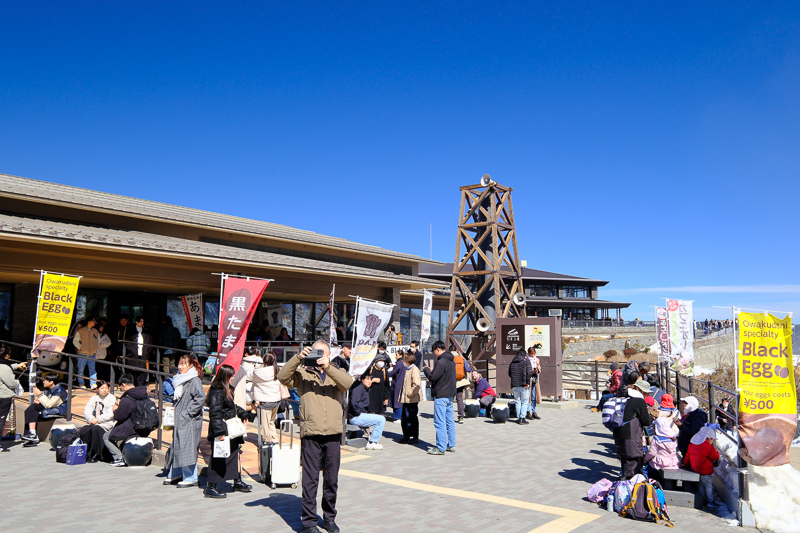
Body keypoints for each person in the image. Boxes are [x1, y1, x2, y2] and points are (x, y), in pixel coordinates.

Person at [277, 341, 353, 533]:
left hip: (333, 434)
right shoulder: (303, 374)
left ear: (329, 354)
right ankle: (309, 523)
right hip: (311, 433)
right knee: (310, 480)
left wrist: (328, 367)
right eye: (314, 351)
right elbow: (282, 376)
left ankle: (329, 518)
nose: (318, 355)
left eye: (322, 352)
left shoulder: (336, 371)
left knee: (331, 480)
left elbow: (348, 383)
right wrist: (299, 357)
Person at [204, 363, 256, 498]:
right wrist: (219, 432)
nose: (233, 378)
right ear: (225, 376)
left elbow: (232, 407)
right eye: (231, 375)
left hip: (230, 429)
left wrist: (243, 414)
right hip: (223, 429)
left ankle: (236, 480)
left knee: (234, 453)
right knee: (219, 457)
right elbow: (215, 413)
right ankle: (211, 486)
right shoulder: (217, 390)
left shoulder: (226, 389)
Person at [163, 355, 205, 487]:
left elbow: (201, 397)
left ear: (190, 366)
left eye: (183, 364)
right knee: (177, 445)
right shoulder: (179, 379)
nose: (181, 367)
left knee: (187, 447)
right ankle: (175, 472)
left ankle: (190, 476)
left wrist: (188, 412)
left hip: (190, 420)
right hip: (181, 418)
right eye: (179, 364)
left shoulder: (194, 380)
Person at [612, 379, 654, 479]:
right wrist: (652, 417)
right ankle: (628, 488)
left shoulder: (622, 396)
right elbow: (646, 420)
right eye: (646, 392)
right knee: (633, 465)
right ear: (641, 390)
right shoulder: (638, 401)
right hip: (632, 436)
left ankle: (624, 484)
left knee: (625, 461)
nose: (647, 395)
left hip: (619, 433)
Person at [104, 373, 149, 466]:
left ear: (123, 384)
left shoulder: (127, 398)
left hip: (132, 428)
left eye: (121, 387)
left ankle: (119, 458)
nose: (121, 389)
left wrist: (115, 409)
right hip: (145, 426)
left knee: (106, 436)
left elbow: (119, 417)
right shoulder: (144, 395)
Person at [423, 340, 456, 455]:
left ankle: (440, 447)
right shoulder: (451, 361)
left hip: (441, 395)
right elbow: (442, 375)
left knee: (439, 422)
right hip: (450, 394)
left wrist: (426, 370)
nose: (434, 354)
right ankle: (451, 444)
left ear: (438, 349)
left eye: (434, 352)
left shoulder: (441, 362)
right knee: (449, 421)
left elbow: (432, 377)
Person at [21, 372, 68, 447]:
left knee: (34, 412)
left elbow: (49, 404)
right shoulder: (48, 389)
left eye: (45, 380)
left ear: (51, 382)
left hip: (58, 410)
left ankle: (33, 435)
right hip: (51, 407)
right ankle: (31, 435)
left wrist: (39, 394)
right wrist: (38, 400)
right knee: (30, 409)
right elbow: (46, 400)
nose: (43, 382)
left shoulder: (59, 391)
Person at [684, 426, 722, 509]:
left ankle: (702, 499)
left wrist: (685, 463)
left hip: (696, 469)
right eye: (712, 439)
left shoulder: (692, 444)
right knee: (708, 486)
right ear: (708, 438)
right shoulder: (708, 447)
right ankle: (710, 501)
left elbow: (687, 456)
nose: (712, 441)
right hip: (706, 470)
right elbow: (715, 457)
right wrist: (718, 453)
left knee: (701, 485)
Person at [78, 381, 117, 462]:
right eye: (102, 388)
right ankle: (85, 452)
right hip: (93, 422)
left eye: (106, 388)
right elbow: (87, 411)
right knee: (84, 430)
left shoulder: (111, 398)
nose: (104, 390)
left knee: (95, 429)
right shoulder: (93, 398)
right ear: (97, 389)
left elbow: (110, 414)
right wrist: (91, 419)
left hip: (106, 424)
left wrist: (98, 419)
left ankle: (95, 453)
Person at [348, 373, 386, 450]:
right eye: (367, 379)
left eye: (371, 380)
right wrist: (357, 413)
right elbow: (353, 403)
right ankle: (372, 442)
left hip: (359, 415)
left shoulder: (365, 388)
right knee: (381, 419)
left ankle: (372, 441)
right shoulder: (358, 389)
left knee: (380, 419)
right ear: (362, 380)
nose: (369, 382)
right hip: (356, 417)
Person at [252, 351, 282, 444]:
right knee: (271, 422)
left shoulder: (258, 372)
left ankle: (267, 442)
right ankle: (274, 439)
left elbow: (249, 376)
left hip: (265, 401)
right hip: (276, 400)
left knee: (265, 424)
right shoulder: (277, 370)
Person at [0, 347, 27, 445]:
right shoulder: (4, 367)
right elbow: (11, 383)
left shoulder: (4, 366)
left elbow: (4, 370)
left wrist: (17, 365)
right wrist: (16, 382)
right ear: (6, 355)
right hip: (3, 396)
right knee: (1, 420)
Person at [398, 352, 421, 444]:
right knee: (405, 417)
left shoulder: (414, 370)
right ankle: (406, 435)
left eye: (404, 359)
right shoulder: (407, 369)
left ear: (407, 360)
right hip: (406, 399)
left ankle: (414, 436)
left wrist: (409, 394)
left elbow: (417, 385)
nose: (403, 361)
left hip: (412, 399)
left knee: (411, 417)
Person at [125, 316, 153, 387]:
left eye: (143, 322)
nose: (142, 323)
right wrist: (132, 349)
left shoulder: (145, 332)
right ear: (136, 322)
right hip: (133, 353)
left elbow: (148, 342)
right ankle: (131, 384)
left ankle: (140, 385)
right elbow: (127, 341)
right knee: (132, 369)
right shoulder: (131, 330)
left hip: (142, 353)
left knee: (141, 370)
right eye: (140, 322)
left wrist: (146, 349)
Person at [73, 316, 100, 389]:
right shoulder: (81, 331)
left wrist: (96, 348)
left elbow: (98, 341)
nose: (95, 322)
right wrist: (81, 348)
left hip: (92, 354)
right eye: (93, 321)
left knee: (92, 369)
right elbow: (75, 341)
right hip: (82, 354)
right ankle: (81, 383)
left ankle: (93, 383)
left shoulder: (95, 331)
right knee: (81, 369)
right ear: (89, 321)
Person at [508, 349, 532, 425]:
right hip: (524, 384)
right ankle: (522, 417)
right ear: (524, 355)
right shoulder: (526, 362)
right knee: (525, 401)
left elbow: (509, 374)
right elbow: (529, 373)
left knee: (517, 401)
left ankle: (518, 418)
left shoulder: (512, 362)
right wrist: (527, 382)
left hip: (514, 385)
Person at [367, 344, 390, 415]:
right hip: (371, 396)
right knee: (370, 412)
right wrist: (372, 380)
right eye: (380, 360)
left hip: (380, 396)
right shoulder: (370, 370)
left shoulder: (384, 371)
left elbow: (387, 385)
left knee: (380, 413)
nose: (382, 362)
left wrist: (386, 397)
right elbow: (364, 380)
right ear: (375, 362)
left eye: (383, 361)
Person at [452, 346, 472, 424]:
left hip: (450, 381)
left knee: (449, 399)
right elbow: (468, 369)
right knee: (459, 398)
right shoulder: (461, 358)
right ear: (456, 350)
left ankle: (448, 417)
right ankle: (461, 417)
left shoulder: (448, 358)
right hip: (460, 381)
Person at [387, 349, 407, 423]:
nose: (396, 356)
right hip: (402, 383)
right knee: (399, 400)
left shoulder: (399, 363)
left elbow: (393, 373)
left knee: (396, 401)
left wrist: (387, 374)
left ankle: (397, 417)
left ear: (400, 355)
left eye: (397, 354)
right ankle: (400, 416)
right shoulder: (404, 363)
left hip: (397, 384)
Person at [526, 346, 542, 420]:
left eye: (534, 354)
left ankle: (534, 412)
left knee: (534, 396)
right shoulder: (526, 359)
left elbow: (540, 369)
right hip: (528, 379)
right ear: (528, 353)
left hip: (535, 378)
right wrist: (530, 371)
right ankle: (527, 412)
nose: (533, 355)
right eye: (531, 354)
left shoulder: (537, 359)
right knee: (527, 396)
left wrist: (538, 370)